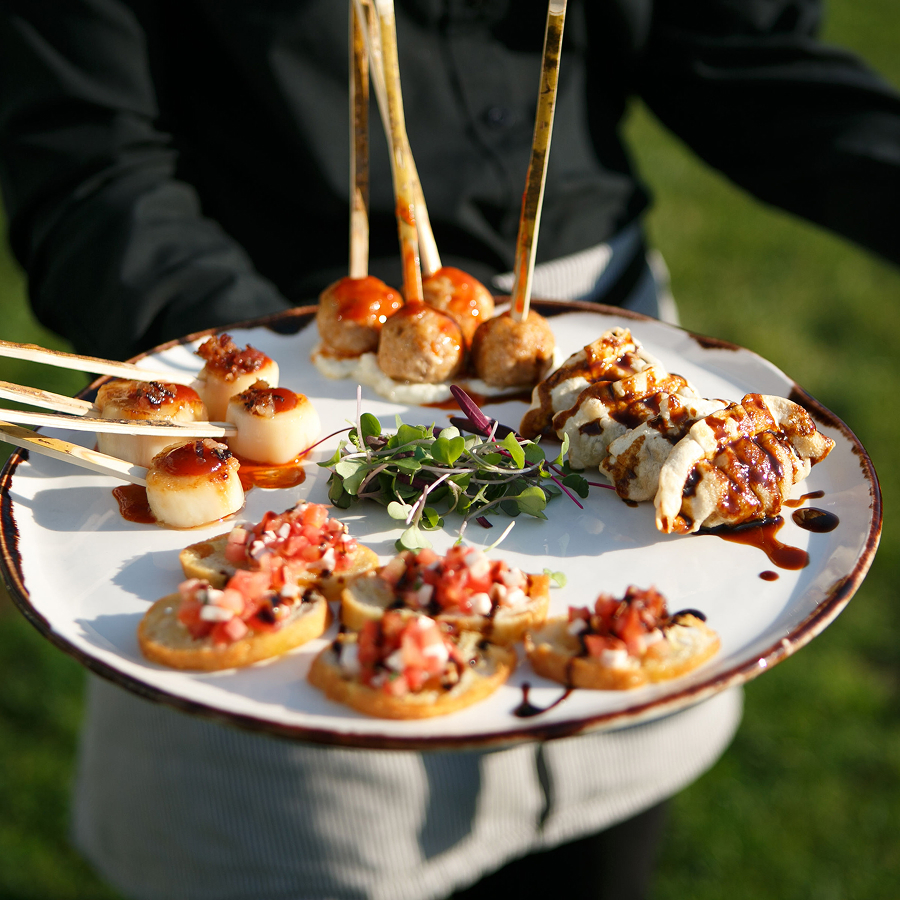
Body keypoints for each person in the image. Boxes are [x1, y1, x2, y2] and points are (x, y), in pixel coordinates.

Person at [0, 2, 897, 899]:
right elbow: (86, 155)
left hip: (604, 366)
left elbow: (744, 58)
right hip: (268, 349)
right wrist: (255, 383)